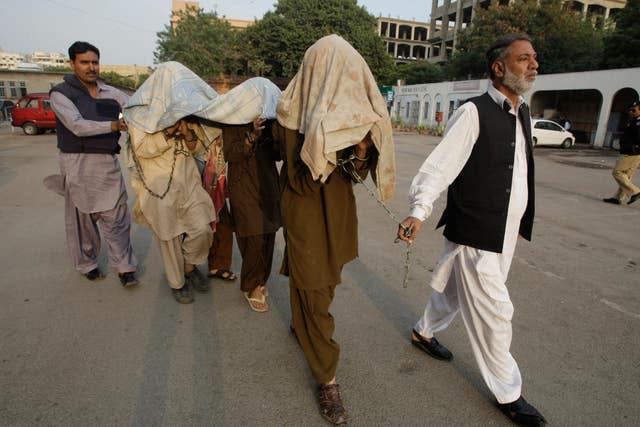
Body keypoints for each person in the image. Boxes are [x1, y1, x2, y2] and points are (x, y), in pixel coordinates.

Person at [397, 34, 546, 426]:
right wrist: (418, 210)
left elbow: (516, 172)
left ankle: (423, 332)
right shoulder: (473, 112)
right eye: (523, 59)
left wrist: (516, 220)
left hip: (502, 228)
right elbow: (440, 166)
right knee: (496, 311)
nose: (533, 65)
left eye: (534, 59)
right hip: (477, 229)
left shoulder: (522, 110)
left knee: (452, 290)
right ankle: (509, 393)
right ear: (499, 68)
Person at [275, 34, 395, 425]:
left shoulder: (348, 111)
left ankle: (302, 320)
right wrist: (323, 145)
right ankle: (327, 378)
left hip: (338, 213)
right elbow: (300, 180)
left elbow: (355, 174)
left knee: (322, 286)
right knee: (316, 294)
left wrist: (360, 149)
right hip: (304, 210)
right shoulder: (293, 112)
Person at [48, 41, 138, 287]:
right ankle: (87, 264)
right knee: (83, 221)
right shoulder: (60, 94)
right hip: (77, 163)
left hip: (107, 163)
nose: (91, 67)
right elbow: (76, 125)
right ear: (72, 64)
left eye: (95, 62)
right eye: (84, 62)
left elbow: (135, 107)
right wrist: (112, 125)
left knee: (117, 218)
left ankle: (125, 268)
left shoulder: (111, 93)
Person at [127, 117, 215, 303]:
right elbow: (141, 149)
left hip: (189, 183)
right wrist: (167, 132)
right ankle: (178, 283)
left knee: (202, 229)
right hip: (158, 186)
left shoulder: (184, 112)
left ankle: (189, 267)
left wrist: (186, 132)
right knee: (168, 236)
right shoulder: (141, 115)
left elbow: (197, 148)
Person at [222, 117, 281, 312]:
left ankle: (260, 279)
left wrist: (274, 134)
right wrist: (252, 135)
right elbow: (230, 154)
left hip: (268, 184)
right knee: (253, 235)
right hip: (243, 186)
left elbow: (278, 155)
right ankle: (251, 286)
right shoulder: (232, 122)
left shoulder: (270, 122)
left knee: (267, 235)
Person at [603, 100, 640, 205]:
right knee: (626, 175)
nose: (631, 112)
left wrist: (634, 147)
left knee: (617, 172)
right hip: (633, 152)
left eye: (634, 110)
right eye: (630, 110)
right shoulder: (634, 121)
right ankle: (618, 197)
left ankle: (635, 191)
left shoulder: (638, 122)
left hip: (631, 152)